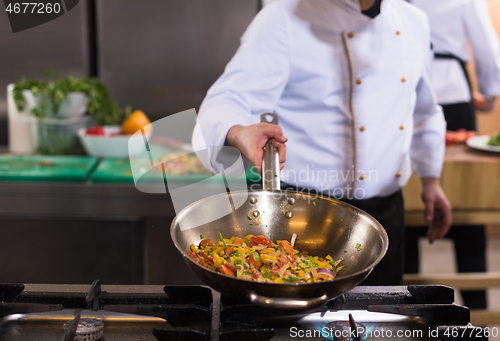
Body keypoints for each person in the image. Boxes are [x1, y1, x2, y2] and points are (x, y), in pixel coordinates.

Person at [192, 0, 452, 285]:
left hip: (384, 217)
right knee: (295, 328)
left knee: (376, 323)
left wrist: (431, 180)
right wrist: (238, 131)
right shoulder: (283, 18)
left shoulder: (413, 20)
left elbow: (424, 111)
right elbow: (226, 99)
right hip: (302, 217)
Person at [406, 0, 500, 309]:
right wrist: (489, 92)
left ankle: (411, 311)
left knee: (408, 196)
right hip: (455, 93)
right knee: (466, 200)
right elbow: (486, 45)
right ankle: (476, 308)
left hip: (406, 92)